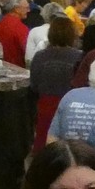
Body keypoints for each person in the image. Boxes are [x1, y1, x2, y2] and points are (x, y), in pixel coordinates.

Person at [29, 16, 83, 152]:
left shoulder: (40, 56)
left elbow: (33, 85)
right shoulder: (79, 56)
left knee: (44, 146)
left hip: (45, 105)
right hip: (71, 106)